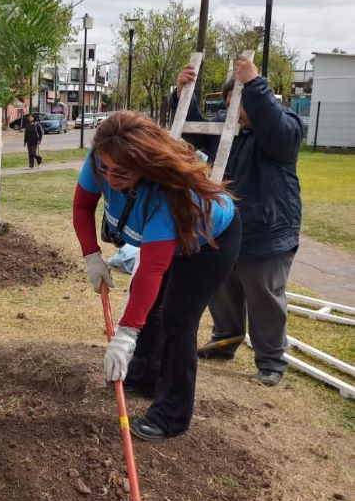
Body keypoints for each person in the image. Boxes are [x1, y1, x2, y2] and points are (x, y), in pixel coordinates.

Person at [72, 111, 241, 441]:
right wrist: (91, 255)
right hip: (165, 243)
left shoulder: (166, 196)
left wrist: (124, 336)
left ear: (144, 166)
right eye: (104, 169)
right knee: (149, 307)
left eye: (121, 173)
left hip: (210, 242)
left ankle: (171, 415)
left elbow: (151, 268)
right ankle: (145, 376)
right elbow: (82, 207)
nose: (109, 178)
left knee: (178, 319)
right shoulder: (100, 160)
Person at [172, 56, 304, 387]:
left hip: (268, 229)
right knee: (221, 287)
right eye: (230, 105)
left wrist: (255, 85)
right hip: (227, 226)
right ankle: (226, 340)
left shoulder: (283, 125)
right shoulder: (230, 129)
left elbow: (279, 134)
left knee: (264, 295)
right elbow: (198, 134)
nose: (234, 113)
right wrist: (181, 94)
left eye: (240, 105)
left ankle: (271, 360)